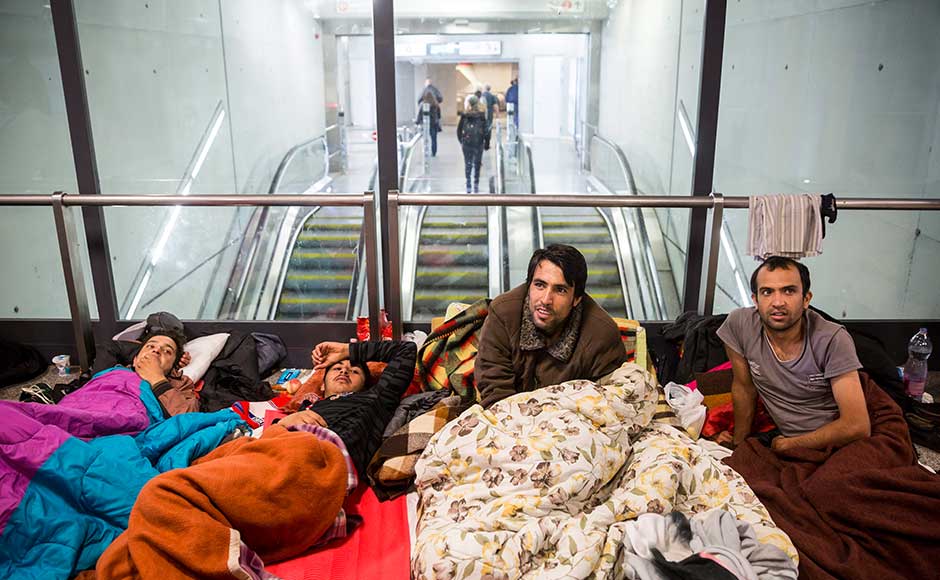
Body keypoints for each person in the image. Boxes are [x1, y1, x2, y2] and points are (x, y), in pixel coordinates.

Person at [716, 256, 870, 453]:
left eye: (789, 291)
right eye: (767, 292)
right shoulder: (739, 325)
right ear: (755, 300)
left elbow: (857, 425)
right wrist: (738, 445)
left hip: (833, 439)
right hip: (782, 437)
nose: (778, 302)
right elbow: (744, 388)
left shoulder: (832, 339)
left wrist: (791, 444)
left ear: (806, 299)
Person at [474, 244, 628, 407]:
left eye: (560, 290)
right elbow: (495, 393)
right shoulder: (503, 313)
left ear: (576, 299)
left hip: (571, 417)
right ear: (529, 285)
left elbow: (608, 404)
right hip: (508, 413)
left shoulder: (601, 335)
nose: (546, 300)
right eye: (540, 285)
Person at [277, 340, 417, 476]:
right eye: (337, 368)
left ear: (365, 387)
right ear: (322, 385)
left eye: (354, 371)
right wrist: (281, 425)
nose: (344, 371)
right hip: (281, 455)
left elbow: (406, 350)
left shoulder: (375, 398)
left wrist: (346, 350)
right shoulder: (307, 407)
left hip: (323, 467)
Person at [457, 95, 487, 193]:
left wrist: (461, 141)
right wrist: (486, 143)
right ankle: (476, 182)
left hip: (467, 142)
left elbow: (459, 130)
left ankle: (468, 182)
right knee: (477, 162)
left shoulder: (464, 115)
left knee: (468, 162)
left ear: (469, 104)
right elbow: (486, 131)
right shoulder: (482, 116)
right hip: (479, 142)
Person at [416, 91, 441, 157]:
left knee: (425, 138)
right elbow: (439, 115)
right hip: (434, 123)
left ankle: (426, 151)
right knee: (434, 138)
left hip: (425, 124)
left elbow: (420, 114)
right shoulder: (436, 104)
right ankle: (434, 152)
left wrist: (417, 122)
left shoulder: (423, 104)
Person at [482, 84, 498, 150]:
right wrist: (497, 115)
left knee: (481, 127)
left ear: (484, 88)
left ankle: (481, 143)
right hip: (489, 115)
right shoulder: (492, 96)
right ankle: (487, 144)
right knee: (488, 128)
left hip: (482, 114)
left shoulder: (481, 95)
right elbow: (495, 106)